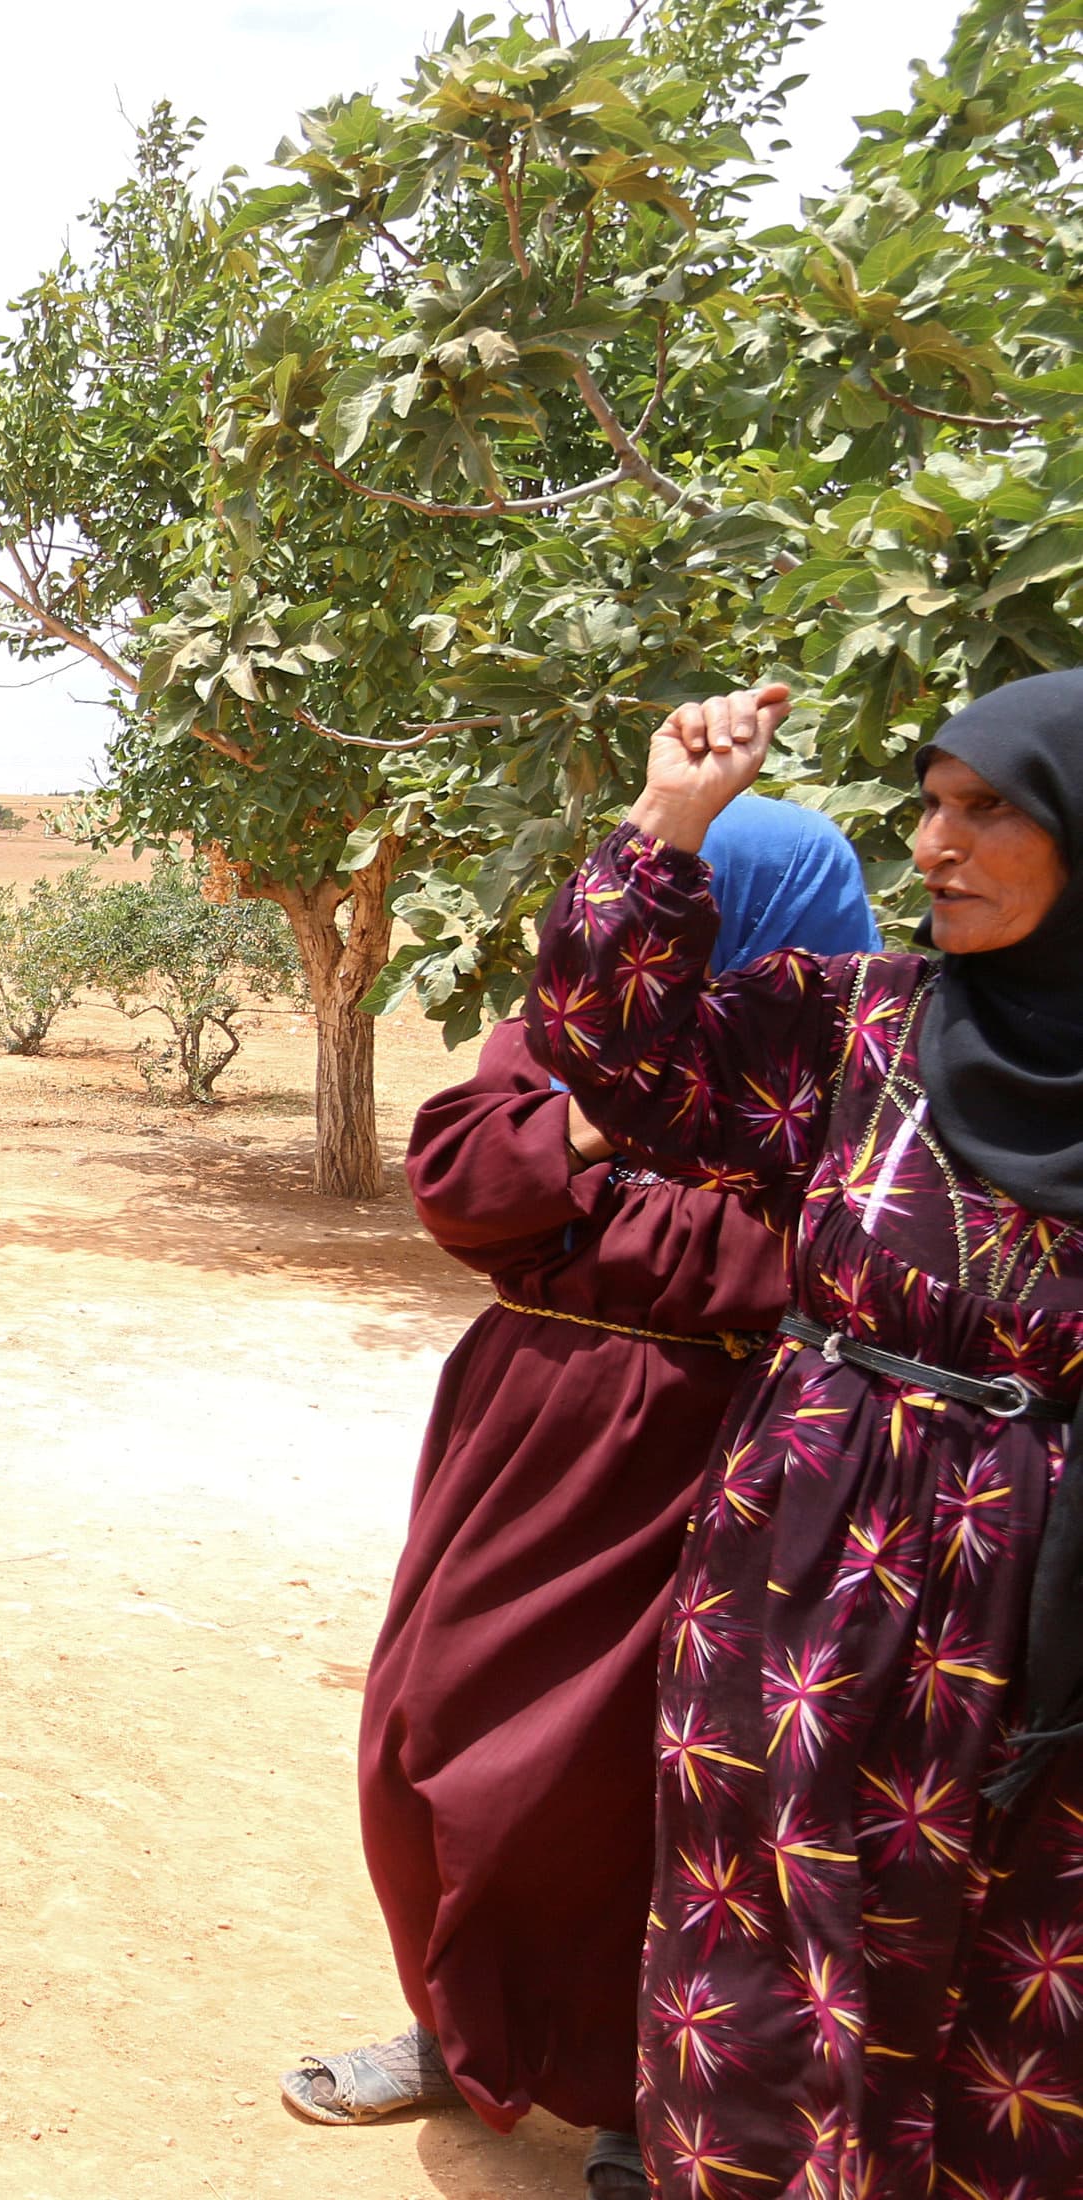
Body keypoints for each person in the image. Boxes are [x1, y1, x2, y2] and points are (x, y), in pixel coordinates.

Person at [520, 674, 1081, 2195]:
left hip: (1044, 1615)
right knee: (766, 1947)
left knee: (1013, 1986)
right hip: (805, 1566)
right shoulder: (863, 1027)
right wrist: (671, 818)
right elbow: (606, 1047)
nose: (938, 844)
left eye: (990, 810)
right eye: (931, 804)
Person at [285, 800, 878, 2200]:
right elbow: (461, 1184)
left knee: (643, 1777)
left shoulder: (858, 1063)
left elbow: (802, 1253)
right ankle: (454, 2026)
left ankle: (638, 2086)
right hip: (527, 1425)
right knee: (426, 1734)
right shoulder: (578, 1023)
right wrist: (620, 1105)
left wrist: (586, 1177)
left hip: (729, 1446)